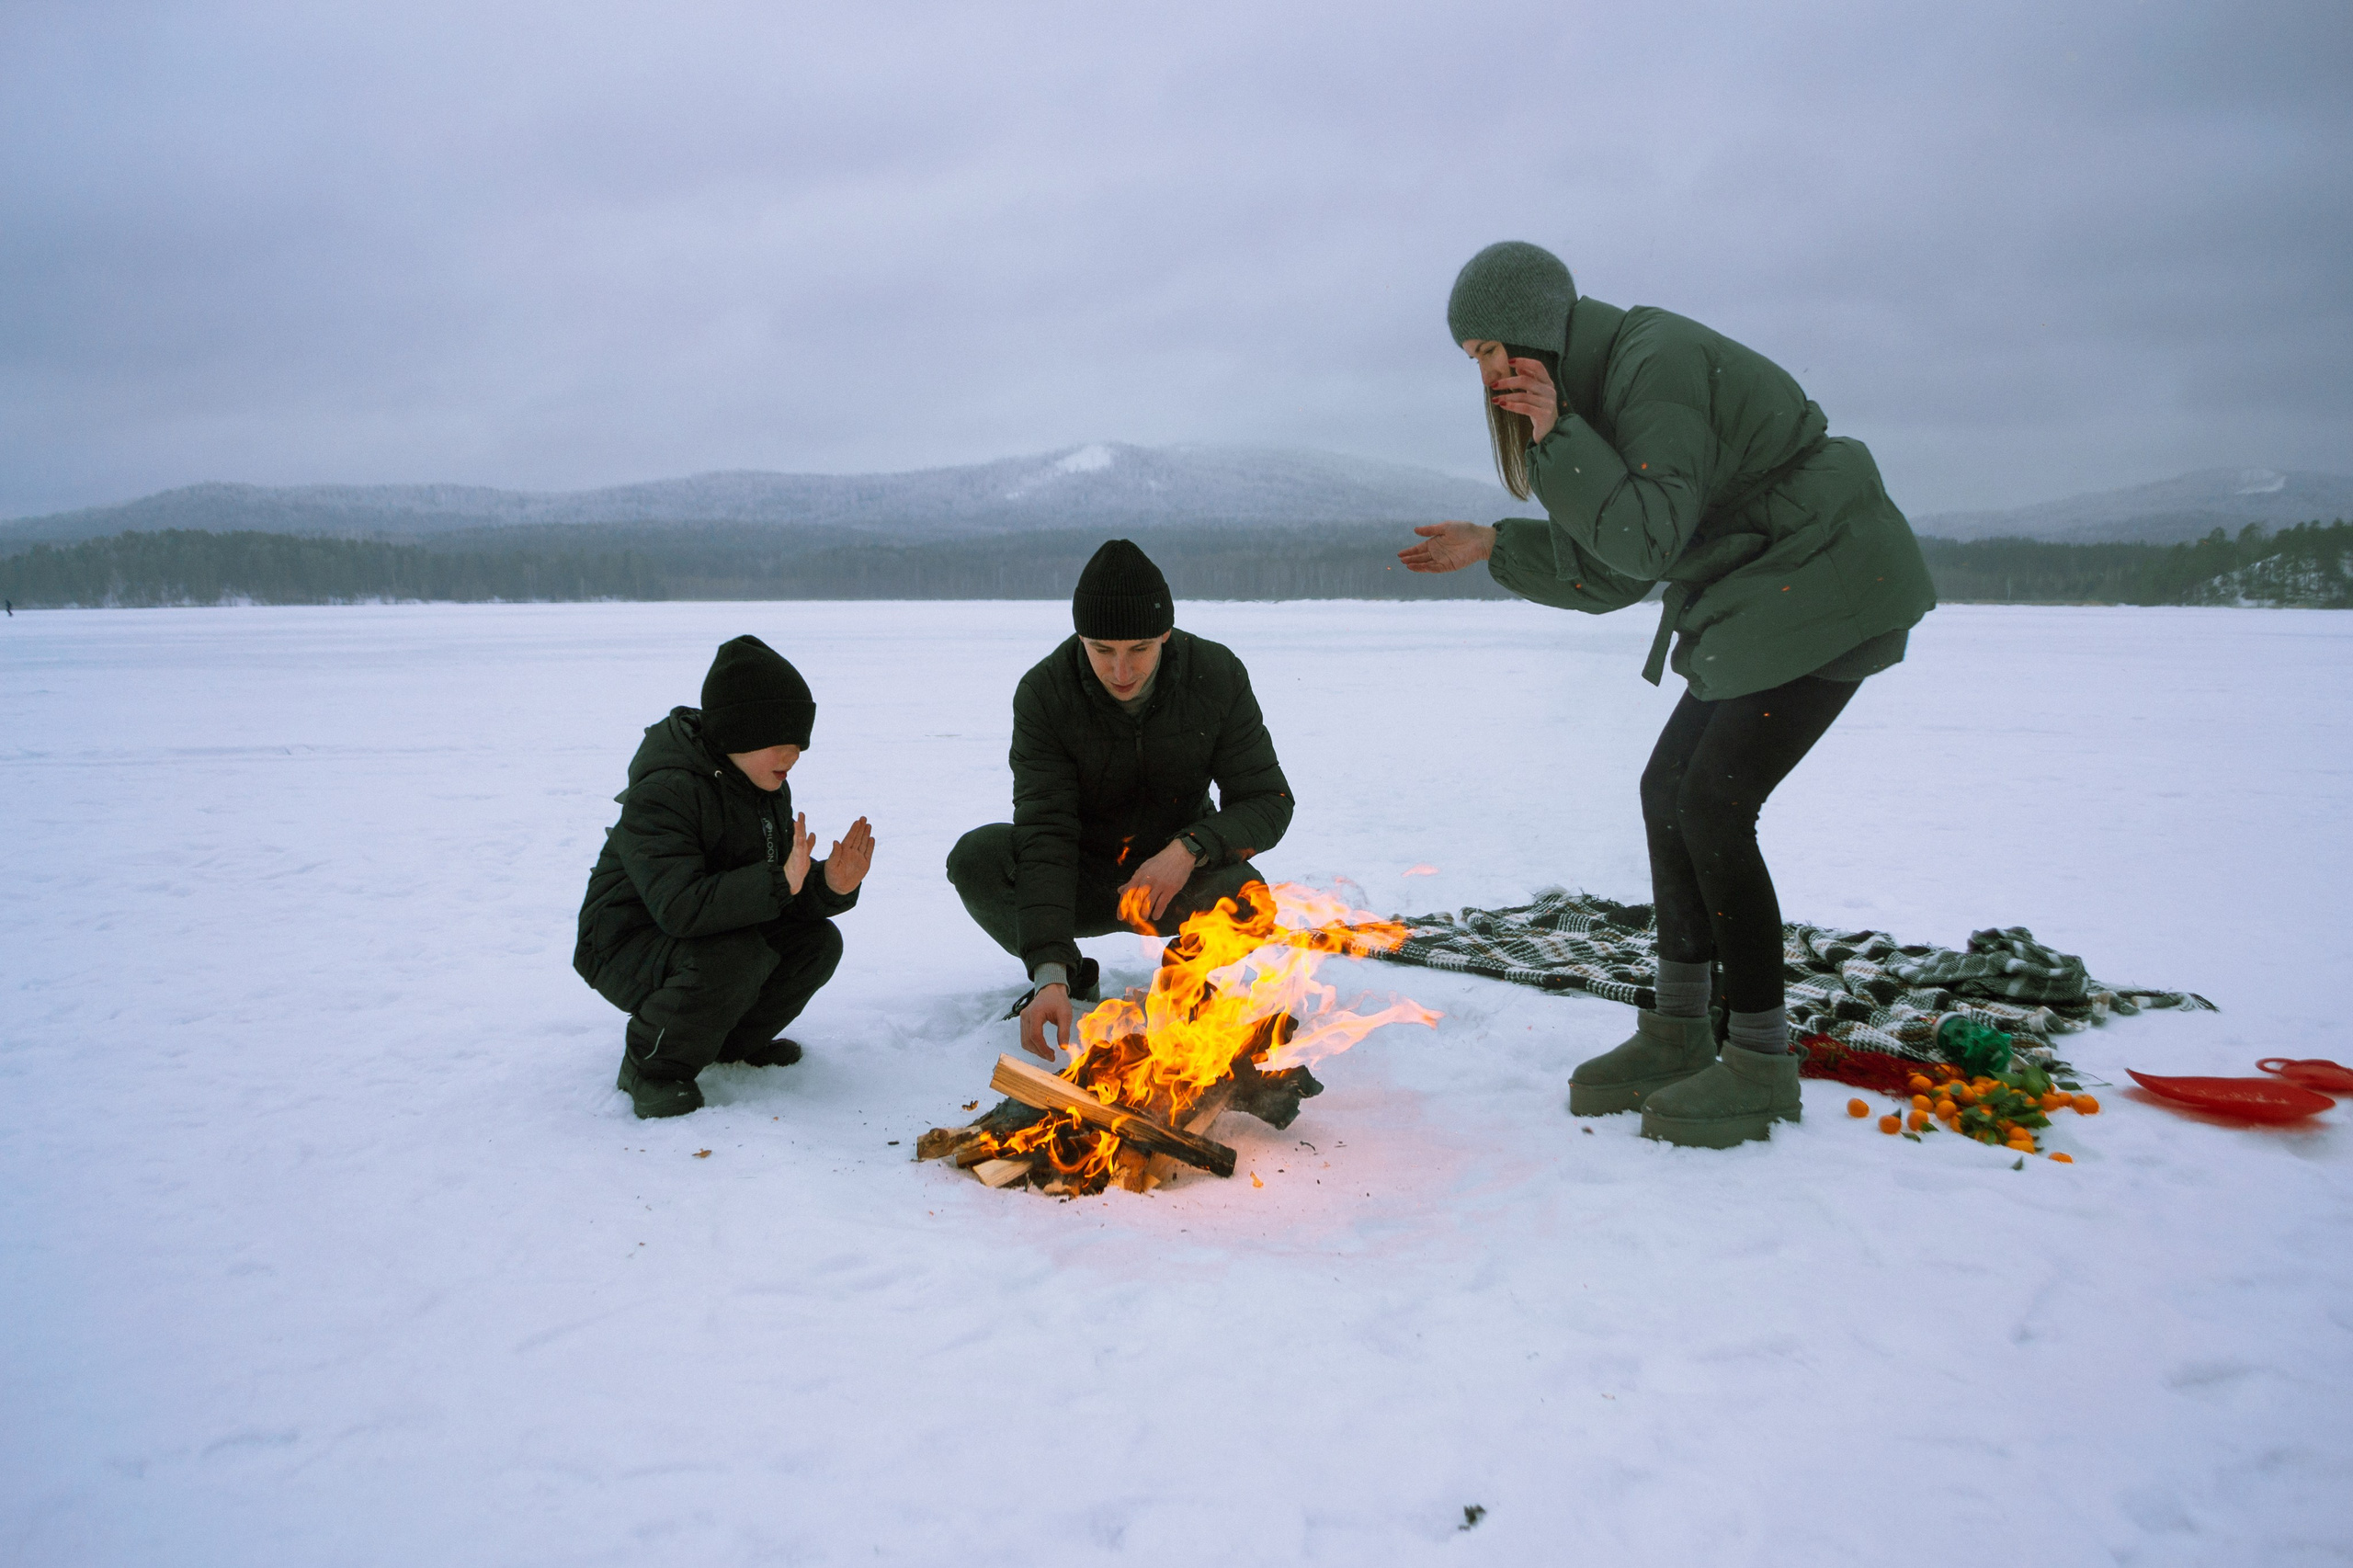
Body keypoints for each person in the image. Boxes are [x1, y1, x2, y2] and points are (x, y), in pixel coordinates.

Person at [1402, 240, 1936, 1149]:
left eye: (1492, 351)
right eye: (1474, 362)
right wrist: (1498, 546)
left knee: (1713, 802)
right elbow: (1615, 573)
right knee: (1669, 793)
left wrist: (1559, 435)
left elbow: (1644, 545)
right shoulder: (1600, 393)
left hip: (1828, 581)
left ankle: (1761, 1060)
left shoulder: (1656, 367)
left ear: (1534, 331)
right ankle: (1678, 1027)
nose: (1489, 376)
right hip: (1766, 589)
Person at [947, 540, 1294, 1061]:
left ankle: (1182, 986)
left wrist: (1188, 849)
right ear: (1080, 638)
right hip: (1082, 877)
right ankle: (1070, 974)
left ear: (1165, 635)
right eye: (1102, 650)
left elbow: (1269, 800)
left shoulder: (1215, 675)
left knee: (1249, 901)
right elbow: (1047, 834)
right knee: (978, 859)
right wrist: (1048, 974)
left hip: (1176, 880)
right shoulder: (1046, 692)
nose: (1121, 671)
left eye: (1139, 650)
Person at [574, 634, 875, 1119]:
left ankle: (732, 1043)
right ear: (740, 733)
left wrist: (827, 885)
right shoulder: (666, 789)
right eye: (783, 742)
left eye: (800, 743)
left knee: (816, 943)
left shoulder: (764, 784)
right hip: (624, 941)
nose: (794, 755)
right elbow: (679, 907)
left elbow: (776, 893)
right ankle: (651, 1066)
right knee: (734, 957)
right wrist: (781, 882)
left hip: (704, 932)